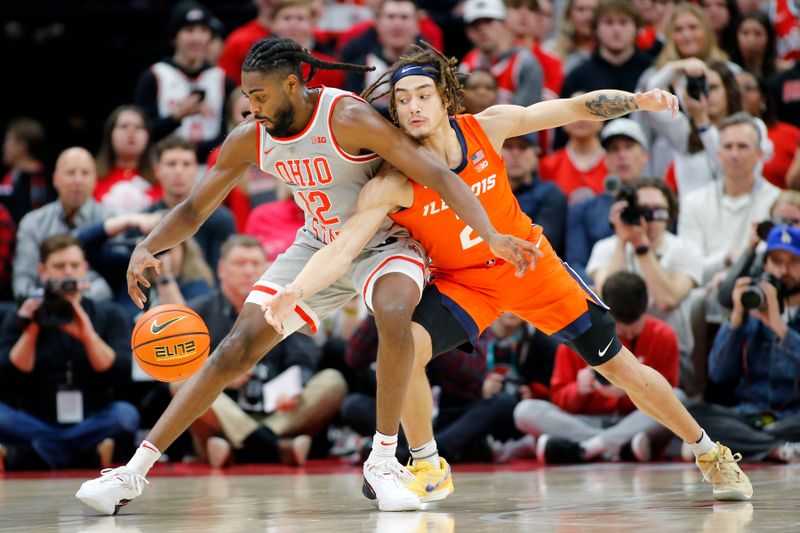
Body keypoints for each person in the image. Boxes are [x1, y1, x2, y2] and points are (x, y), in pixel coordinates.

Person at [261, 43, 752, 507]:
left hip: (532, 268)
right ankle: (429, 465)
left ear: (444, 98)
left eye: (423, 96)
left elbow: (573, 109)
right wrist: (297, 290)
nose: (412, 107)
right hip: (466, 284)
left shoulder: (486, 127)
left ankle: (709, 452)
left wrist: (637, 100)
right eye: (403, 100)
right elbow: (343, 246)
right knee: (404, 346)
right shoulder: (393, 181)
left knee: (620, 368)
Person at [76, 37, 535, 515]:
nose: (250, 107)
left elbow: (439, 175)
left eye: (260, 96)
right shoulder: (249, 137)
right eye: (246, 96)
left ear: (293, 85)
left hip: (381, 240)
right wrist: (148, 244)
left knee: (395, 313)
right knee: (234, 348)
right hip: (316, 248)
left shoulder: (347, 117)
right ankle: (132, 473)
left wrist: (490, 234)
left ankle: (383, 461)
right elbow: (194, 208)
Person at [186, 236, 347, 467]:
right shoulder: (197, 312)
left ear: (267, 268)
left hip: (280, 412)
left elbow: (305, 361)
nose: (248, 270)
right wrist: (221, 376)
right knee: (182, 384)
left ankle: (244, 444)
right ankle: (275, 447)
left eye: (255, 264)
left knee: (333, 381)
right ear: (221, 269)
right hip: (227, 409)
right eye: (240, 263)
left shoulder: (286, 304)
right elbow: (186, 367)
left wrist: (295, 387)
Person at [515, 271, 682, 464]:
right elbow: (559, 399)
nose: (628, 332)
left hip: (635, 419)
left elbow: (667, 400)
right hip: (586, 421)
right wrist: (578, 390)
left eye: (635, 326)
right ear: (606, 312)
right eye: (621, 327)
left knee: (678, 396)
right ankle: (616, 446)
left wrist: (633, 389)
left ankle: (587, 448)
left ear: (646, 310)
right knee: (525, 411)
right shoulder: (576, 335)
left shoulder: (663, 336)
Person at [0, 235, 136, 470]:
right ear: (43, 271)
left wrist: (87, 335)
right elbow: (7, 376)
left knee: (125, 415)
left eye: (74, 265)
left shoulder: (108, 313)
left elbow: (121, 372)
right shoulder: (24, 312)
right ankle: (85, 456)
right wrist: (31, 329)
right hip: (36, 420)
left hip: (92, 418)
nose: (68, 272)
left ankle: (30, 456)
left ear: (85, 268)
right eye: (59, 266)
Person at [690, 225, 800, 464]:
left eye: (793, 262)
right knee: (690, 413)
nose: (784, 270)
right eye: (776, 261)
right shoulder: (752, 304)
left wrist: (780, 328)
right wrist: (737, 318)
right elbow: (718, 372)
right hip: (748, 415)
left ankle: (746, 445)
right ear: (765, 264)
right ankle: (776, 447)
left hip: (794, 415)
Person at [586, 178, 702, 387]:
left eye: (657, 210)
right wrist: (623, 239)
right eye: (642, 210)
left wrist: (641, 247)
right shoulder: (605, 248)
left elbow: (667, 299)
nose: (649, 217)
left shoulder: (686, 250)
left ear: (670, 214)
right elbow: (606, 298)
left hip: (670, 355)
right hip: (617, 351)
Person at [678, 112, 781, 286]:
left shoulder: (776, 201)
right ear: (718, 154)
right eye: (728, 146)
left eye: (742, 146)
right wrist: (726, 259)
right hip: (704, 294)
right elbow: (689, 268)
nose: (734, 154)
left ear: (759, 154)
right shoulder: (693, 202)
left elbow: (776, 263)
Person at [134, 1, 236, 161]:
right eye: (189, 30)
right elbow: (141, 134)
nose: (197, 38)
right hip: (164, 168)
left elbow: (232, 133)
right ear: (174, 37)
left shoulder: (223, 80)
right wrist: (176, 118)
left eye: (203, 30)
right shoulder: (155, 76)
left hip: (212, 169)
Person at [13, 147, 112, 302]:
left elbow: (114, 280)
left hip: (95, 308)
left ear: (95, 180)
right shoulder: (32, 222)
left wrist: (76, 300)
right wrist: (47, 301)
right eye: (70, 173)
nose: (77, 180)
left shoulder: (111, 220)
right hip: (42, 309)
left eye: (85, 173)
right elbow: (23, 280)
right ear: (55, 179)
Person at [566, 118, 650, 280]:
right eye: (613, 149)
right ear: (604, 158)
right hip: (600, 291)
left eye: (629, 147)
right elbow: (575, 264)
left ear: (645, 155)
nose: (622, 155)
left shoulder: (659, 202)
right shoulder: (583, 209)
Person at [149, 136, 236, 272]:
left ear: (196, 170)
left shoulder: (220, 219)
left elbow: (221, 276)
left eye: (186, 164)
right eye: (171, 164)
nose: (179, 171)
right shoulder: (144, 219)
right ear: (157, 170)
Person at [458, 0, 543, 107]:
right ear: (468, 32)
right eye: (475, 25)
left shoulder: (524, 62)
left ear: (504, 24)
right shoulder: (468, 63)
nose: (482, 29)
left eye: (489, 21)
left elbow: (528, 116)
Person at [341, 0, 422, 107]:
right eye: (390, 17)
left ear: (417, 25)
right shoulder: (360, 69)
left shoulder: (432, 68)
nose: (397, 24)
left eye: (404, 17)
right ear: (378, 23)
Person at [503, 134, 567, 256]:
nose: (515, 154)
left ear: (536, 154)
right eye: (508, 146)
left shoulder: (551, 193)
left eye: (523, 147)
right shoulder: (487, 192)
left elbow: (541, 244)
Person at [736, 69, 800, 189]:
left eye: (748, 88)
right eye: (734, 88)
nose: (740, 93)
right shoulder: (715, 134)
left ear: (763, 98)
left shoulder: (791, 135)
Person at [93, 105, 161, 215]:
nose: (131, 132)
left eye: (139, 127)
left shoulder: (161, 177)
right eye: (124, 126)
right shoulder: (91, 177)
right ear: (110, 134)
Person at [1, 117, 53, 224]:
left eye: (8, 140)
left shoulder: (45, 180)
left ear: (22, 146)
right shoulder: (10, 176)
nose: (5, 147)